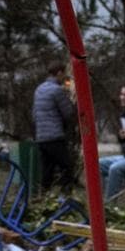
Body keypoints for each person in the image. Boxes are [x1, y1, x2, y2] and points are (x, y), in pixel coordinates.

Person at [31, 61, 78, 192]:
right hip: (54, 136)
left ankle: (43, 198)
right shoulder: (57, 90)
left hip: (41, 136)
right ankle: (66, 196)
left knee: (47, 169)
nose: (65, 78)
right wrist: (71, 98)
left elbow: (34, 114)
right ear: (59, 73)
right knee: (67, 167)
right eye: (64, 74)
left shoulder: (39, 89)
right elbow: (68, 113)